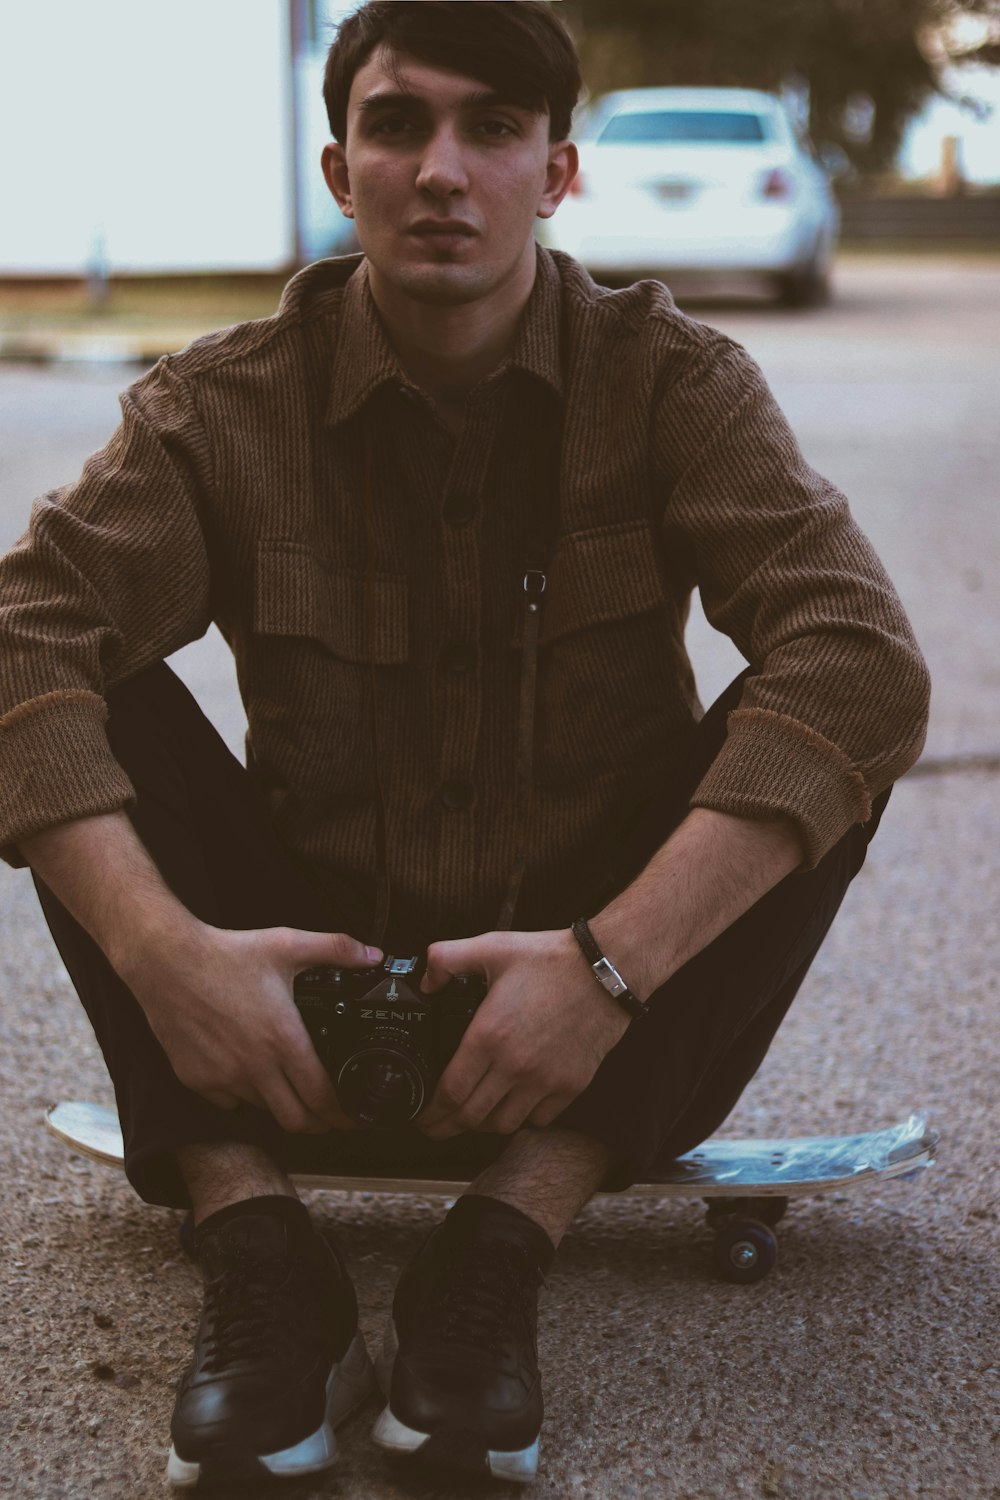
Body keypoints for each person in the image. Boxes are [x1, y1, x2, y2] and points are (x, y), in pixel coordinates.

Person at [0, 0, 930, 1488]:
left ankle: (502, 1243)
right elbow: (20, 635)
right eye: (399, 124)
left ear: (557, 173)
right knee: (61, 690)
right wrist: (173, 960)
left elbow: (863, 665)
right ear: (339, 164)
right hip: (286, 994)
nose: (444, 169)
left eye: (492, 128)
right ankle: (254, 1246)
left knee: (828, 721)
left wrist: (606, 967)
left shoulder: (672, 383)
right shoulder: (220, 406)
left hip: (603, 1014)